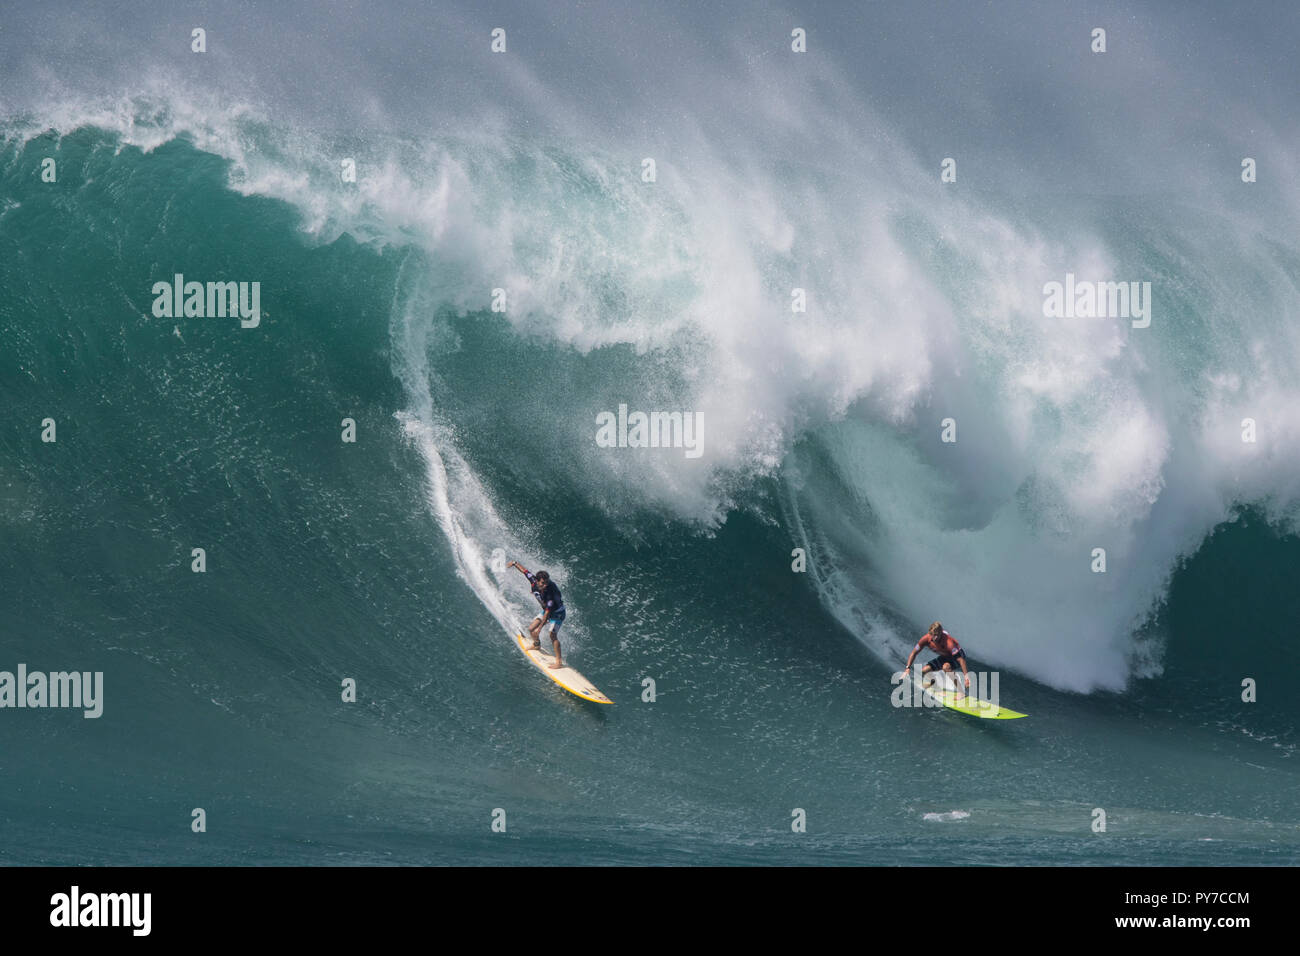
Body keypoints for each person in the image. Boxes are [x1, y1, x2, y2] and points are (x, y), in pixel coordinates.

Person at [506, 561, 566, 668]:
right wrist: (514, 563)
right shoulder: (533, 581)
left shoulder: (549, 594)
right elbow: (525, 571)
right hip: (546, 611)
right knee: (530, 629)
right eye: (543, 583)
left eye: (546, 582)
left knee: (552, 634)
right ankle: (537, 645)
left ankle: (559, 662)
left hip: (558, 613)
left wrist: (540, 628)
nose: (545, 585)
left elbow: (547, 613)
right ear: (537, 581)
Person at [902, 622, 971, 697]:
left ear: (941, 633)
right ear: (929, 633)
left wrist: (966, 677)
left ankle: (961, 692)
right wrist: (907, 668)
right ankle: (935, 686)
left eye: (937, 635)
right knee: (924, 671)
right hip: (945, 656)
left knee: (946, 667)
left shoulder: (948, 642)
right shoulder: (925, 639)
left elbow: (961, 660)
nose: (934, 637)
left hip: (957, 656)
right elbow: (913, 653)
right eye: (932, 634)